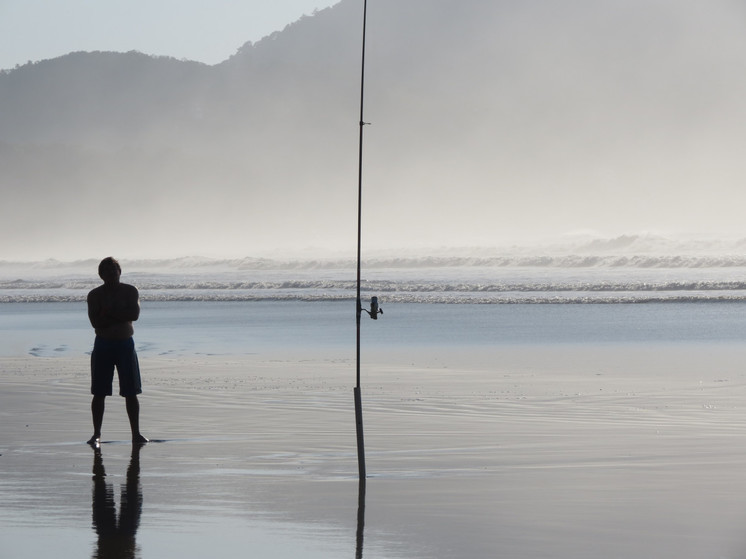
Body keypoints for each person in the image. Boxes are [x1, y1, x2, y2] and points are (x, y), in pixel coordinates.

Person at [87, 257, 148, 445]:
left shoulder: (130, 291)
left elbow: (134, 315)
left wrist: (109, 312)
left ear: (119, 271)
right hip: (103, 344)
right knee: (99, 392)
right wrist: (117, 315)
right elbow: (96, 322)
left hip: (124, 344)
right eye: (107, 271)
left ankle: (135, 433)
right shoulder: (95, 295)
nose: (111, 274)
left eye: (114, 270)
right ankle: (96, 433)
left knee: (131, 391)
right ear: (101, 275)